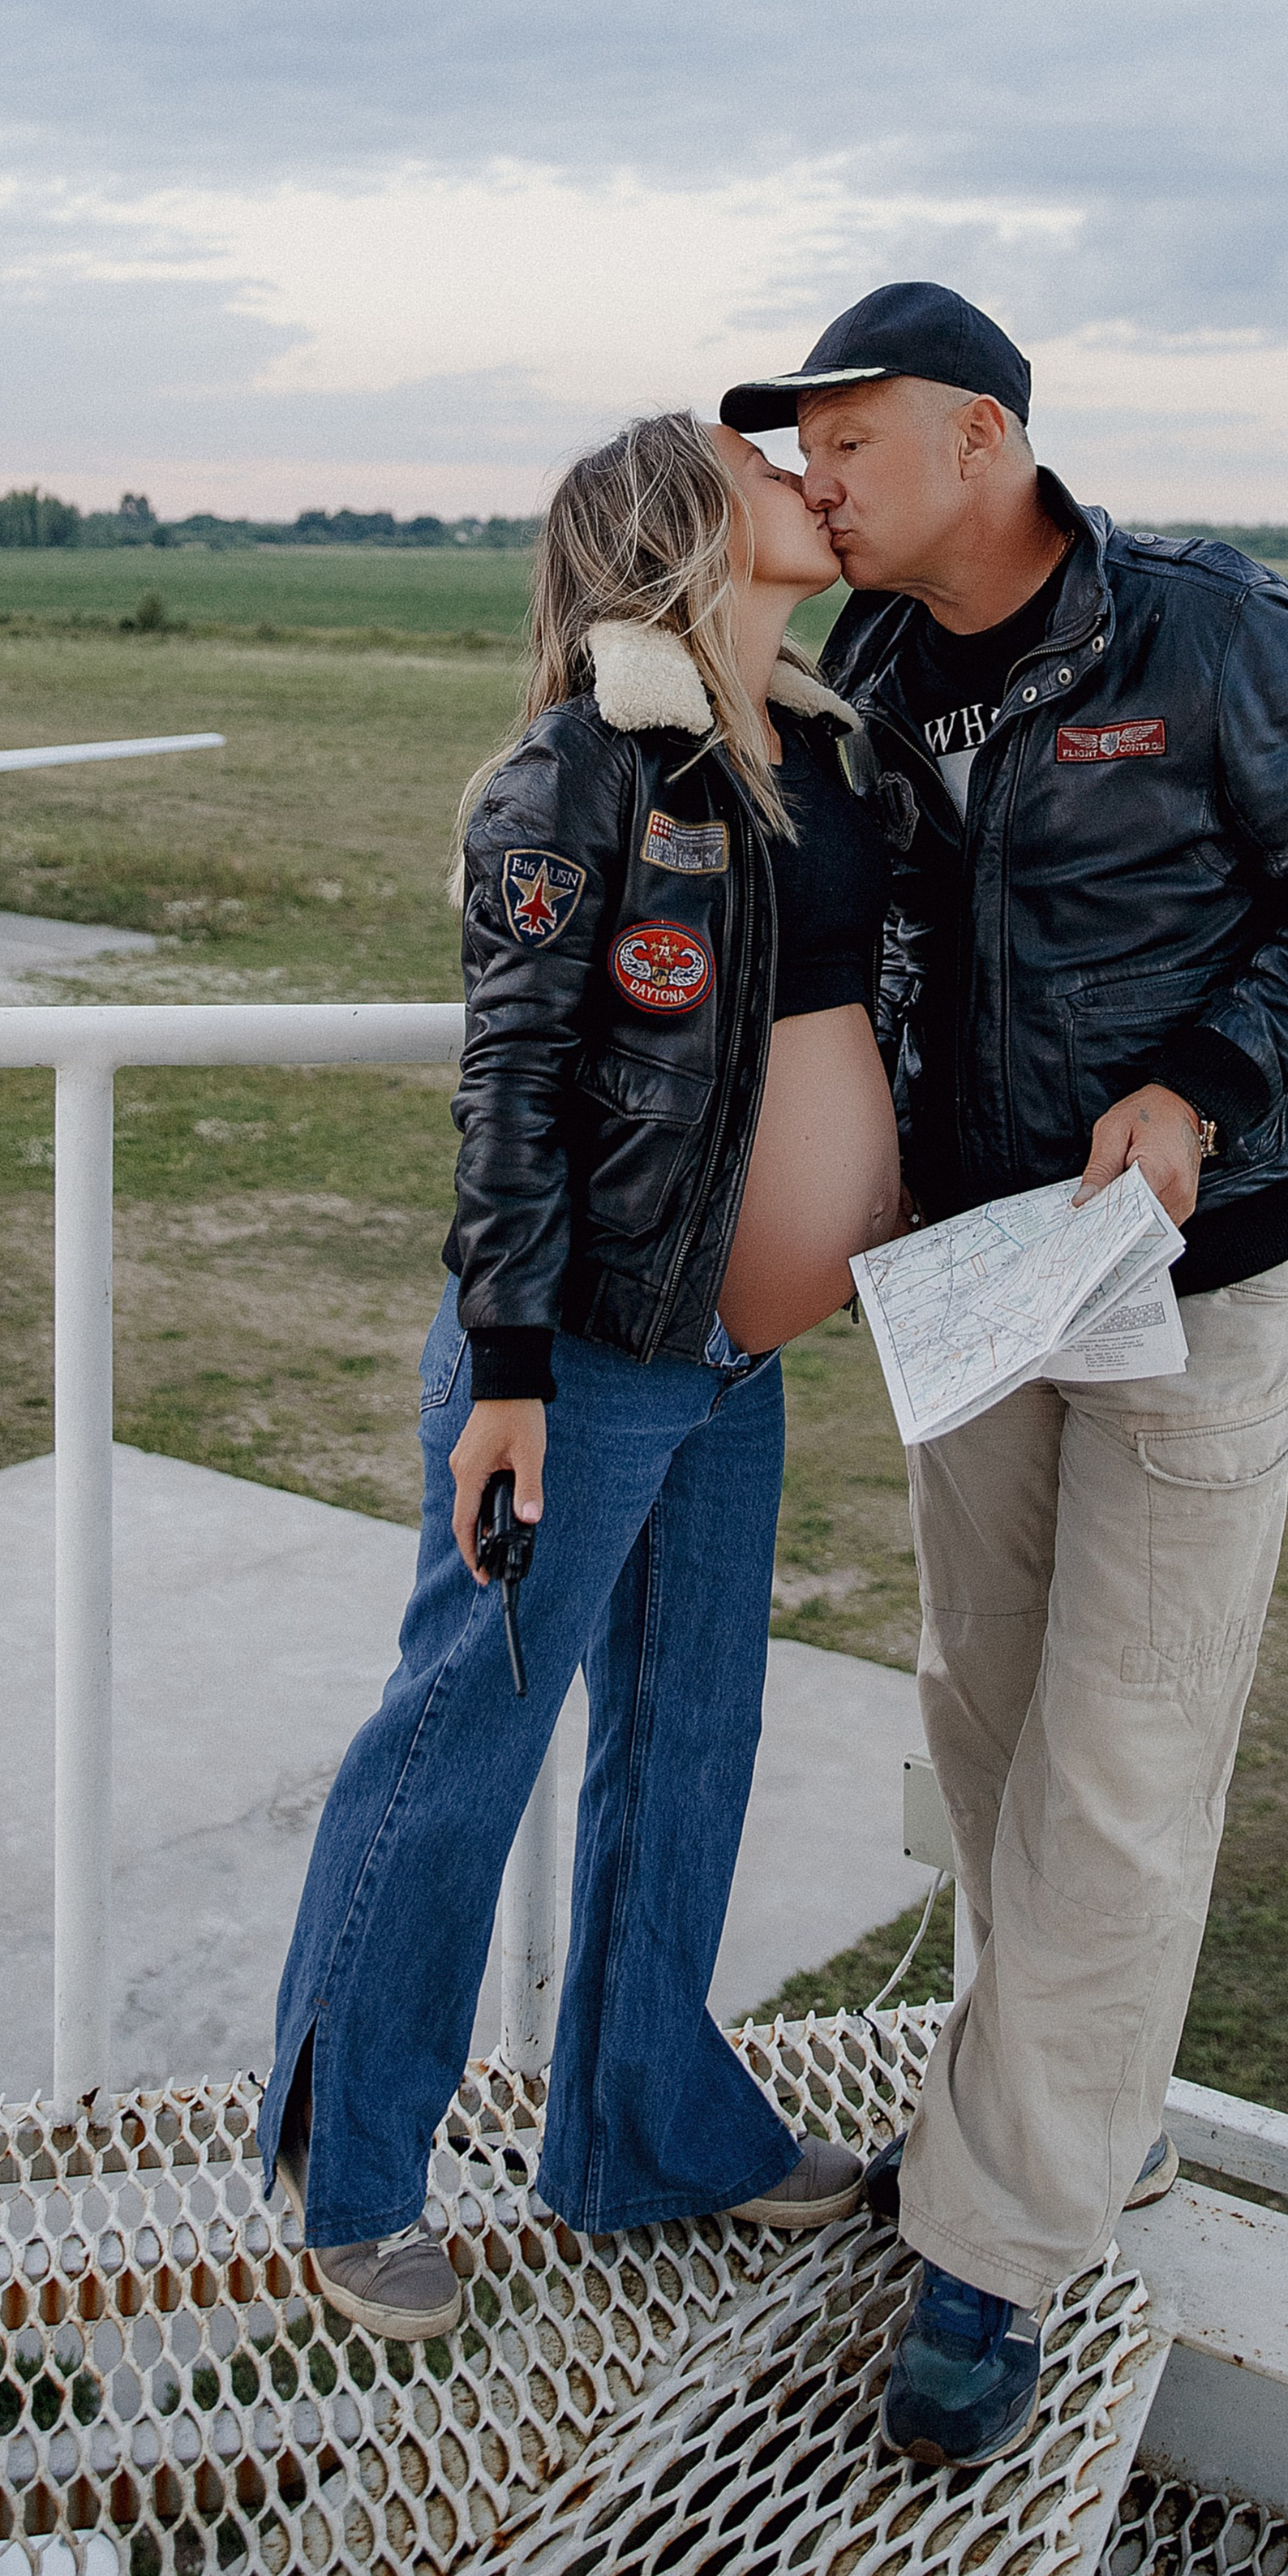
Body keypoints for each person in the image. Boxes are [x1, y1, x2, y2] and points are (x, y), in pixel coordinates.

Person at [719, 285, 1288, 2465]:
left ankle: (991, 2254)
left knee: (1123, 1760)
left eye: (847, 443)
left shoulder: (1210, 634)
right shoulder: (857, 670)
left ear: (983, 438)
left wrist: (1202, 1088)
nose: (816, 483)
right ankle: (1078, 2126)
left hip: (1199, 1279)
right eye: (802, 452)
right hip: (979, 1278)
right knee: (991, 1711)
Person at [259, 409, 904, 2337]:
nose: (812, 481)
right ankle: (350, 2163)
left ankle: (642, 2128)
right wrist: (512, 1369)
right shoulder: (582, 769)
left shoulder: (815, 734)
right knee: (463, 1742)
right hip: (590, 1354)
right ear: (683, 533)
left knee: (692, 1740)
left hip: (736, 1354)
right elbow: (513, 1083)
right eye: (771, 472)